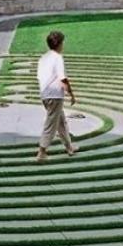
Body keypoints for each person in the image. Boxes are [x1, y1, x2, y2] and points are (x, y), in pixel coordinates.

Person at [36, 30, 77, 164]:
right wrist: (71, 93)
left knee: (61, 121)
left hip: (45, 94)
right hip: (55, 95)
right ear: (59, 44)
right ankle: (42, 151)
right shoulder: (57, 58)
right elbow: (62, 78)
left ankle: (69, 147)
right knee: (51, 123)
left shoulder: (44, 58)